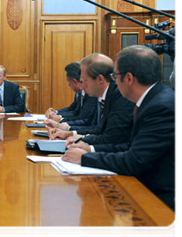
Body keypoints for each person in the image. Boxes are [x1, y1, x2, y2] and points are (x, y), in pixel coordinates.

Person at [63, 45, 179, 211]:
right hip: (144, 184)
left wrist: (85, 158)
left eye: (115, 76)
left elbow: (134, 161)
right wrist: (90, 149)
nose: (114, 82)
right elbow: (130, 146)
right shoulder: (153, 99)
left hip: (158, 197)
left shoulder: (160, 107)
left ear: (129, 78)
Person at [46, 53, 134, 145]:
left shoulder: (119, 97)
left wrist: (85, 145)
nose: (82, 85)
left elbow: (112, 138)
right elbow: (98, 129)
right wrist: (71, 133)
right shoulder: (102, 96)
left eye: (85, 80)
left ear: (100, 79)